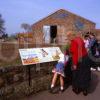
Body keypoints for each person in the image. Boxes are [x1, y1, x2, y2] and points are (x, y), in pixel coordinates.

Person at [67, 31, 91, 96]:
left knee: (77, 75)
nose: (68, 38)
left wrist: (74, 64)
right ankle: (85, 90)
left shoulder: (74, 42)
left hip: (79, 60)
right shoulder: (79, 39)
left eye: (68, 37)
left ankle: (77, 89)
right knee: (85, 74)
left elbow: (76, 54)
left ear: (70, 36)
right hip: (85, 59)